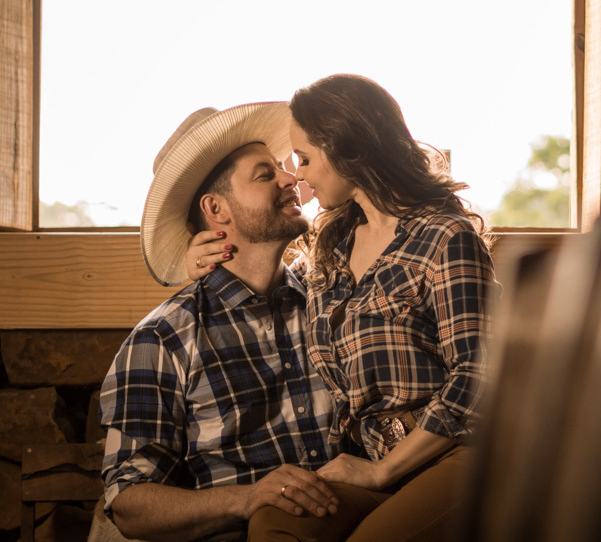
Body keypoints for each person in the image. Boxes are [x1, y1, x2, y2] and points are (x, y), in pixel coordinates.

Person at [187, 74, 498, 542]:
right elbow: (260, 282)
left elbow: (477, 377)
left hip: (456, 455)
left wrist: (381, 473)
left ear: (346, 148)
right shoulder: (331, 248)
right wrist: (202, 262)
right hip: (377, 463)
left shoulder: (445, 238)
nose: (299, 176)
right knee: (276, 522)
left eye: (305, 158)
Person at [99, 103, 341, 542]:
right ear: (217, 208)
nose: (293, 180)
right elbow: (129, 504)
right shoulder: (163, 339)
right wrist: (247, 498)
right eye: (266, 174)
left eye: (286, 167)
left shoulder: (330, 299)